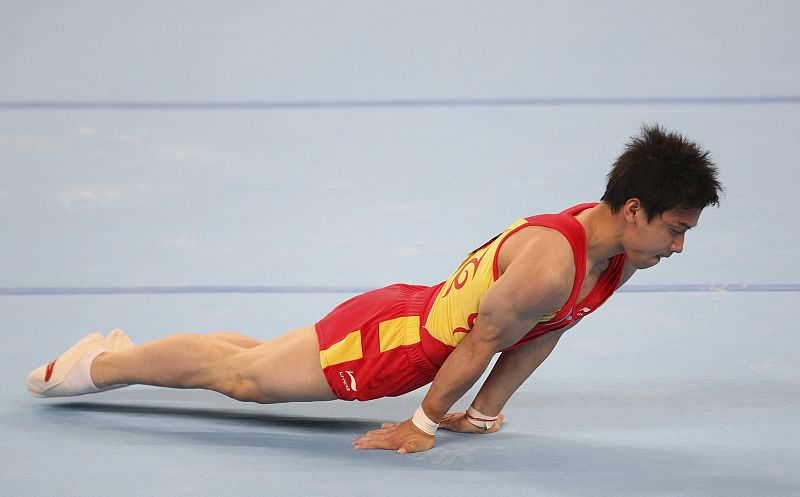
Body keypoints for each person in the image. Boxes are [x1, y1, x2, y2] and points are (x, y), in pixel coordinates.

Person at [27, 124, 722, 455]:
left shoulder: (617, 257)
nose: (679, 245)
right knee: (243, 379)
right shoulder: (551, 265)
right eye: (675, 227)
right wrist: (422, 423)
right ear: (633, 208)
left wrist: (483, 413)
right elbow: (487, 337)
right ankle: (95, 365)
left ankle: (122, 352)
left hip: (407, 314)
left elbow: (545, 331)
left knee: (261, 355)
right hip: (395, 342)